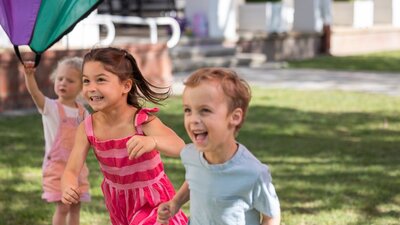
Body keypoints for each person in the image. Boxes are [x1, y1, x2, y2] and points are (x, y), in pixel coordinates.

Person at [61, 47, 188, 225]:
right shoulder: (88, 128)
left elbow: (180, 146)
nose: (92, 88)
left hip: (154, 201)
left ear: (126, 86)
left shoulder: (141, 120)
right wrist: (68, 184)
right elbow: (71, 170)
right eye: (86, 81)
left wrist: (153, 141)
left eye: (101, 80)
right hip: (119, 205)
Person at [157, 68, 281, 225]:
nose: (193, 119)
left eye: (205, 110)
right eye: (188, 110)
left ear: (234, 117)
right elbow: (194, 179)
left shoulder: (253, 173)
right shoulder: (191, 155)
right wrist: (175, 203)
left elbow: (271, 215)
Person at [23, 57, 91, 225]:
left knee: (75, 206)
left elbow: (92, 137)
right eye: (60, 79)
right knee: (63, 207)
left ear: (82, 87)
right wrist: (29, 75)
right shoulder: (50, 107)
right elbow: (35, 93)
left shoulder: (84, 113)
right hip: (57, 169)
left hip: (77, 169)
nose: (63, 83)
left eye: (70, 80)